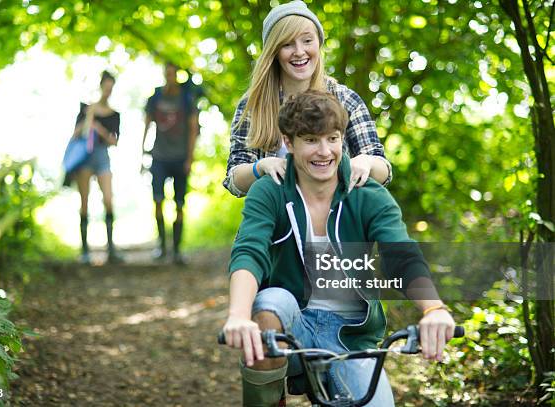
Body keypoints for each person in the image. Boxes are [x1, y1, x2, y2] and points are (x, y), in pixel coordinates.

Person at [221, 91, 456, 406]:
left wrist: (433, 308)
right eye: (310, 140)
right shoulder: (270, 191)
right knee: (269, 303)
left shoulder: (368, 194)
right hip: (294, 322)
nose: (324, 152)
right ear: (288, 144)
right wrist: (238, 316)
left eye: (332, 138)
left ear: (342, 138)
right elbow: (249, 252)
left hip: (352, 334)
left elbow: (401, 256)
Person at [224, 0, 392, 198]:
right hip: (277, 222)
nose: (299, 51)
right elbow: (234, 181)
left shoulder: (345, 99)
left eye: (307, 40)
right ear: (274, 52)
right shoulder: (255, 104)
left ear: (319, 43)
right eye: (287, 44)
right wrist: (260, 168)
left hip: (337, 220)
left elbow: (384, 172)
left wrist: (367, 162)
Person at [142, 62, 199, 264]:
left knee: (180, 204)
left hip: (180, 157)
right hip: (159, 156)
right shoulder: (155, 97)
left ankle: (176, 249)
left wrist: (190, 158)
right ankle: (162, 246)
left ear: (177, 76)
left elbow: (193, 129)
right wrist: (142, 153)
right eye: (167, 73)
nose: (170, 76)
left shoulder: (186, 98)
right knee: (158, 200)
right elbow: (147, 124)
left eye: (173, 74)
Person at [69, 71, 122, 264]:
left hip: (102, 157)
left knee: (108, 199)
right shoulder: (86, 109)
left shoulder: (115, 115)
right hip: (85, 158)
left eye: (111, 88)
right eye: (106, 87)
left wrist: (99, 129)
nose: (108, 91)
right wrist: (89, 118)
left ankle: (111, 248)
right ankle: (84, 251)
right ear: (101, 86)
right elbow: (76, 134)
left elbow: (114, 141)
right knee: (84, 202)